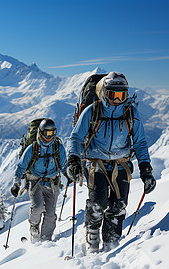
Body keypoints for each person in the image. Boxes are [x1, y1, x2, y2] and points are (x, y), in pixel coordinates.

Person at [66, 72, 156, 253]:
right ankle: (92, 236)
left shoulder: (131, 113)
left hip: (121, 164)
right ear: (104, 93)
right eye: (113, 95)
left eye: (121, 95)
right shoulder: (92, 111)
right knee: (97, 202)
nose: (117, 99)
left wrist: (146, 168)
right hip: (97, 165)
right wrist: (74, 159)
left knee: (119, 206)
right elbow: (76, 137)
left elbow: (139, 142)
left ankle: (112, 244)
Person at [10, 118, 68, 242]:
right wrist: (16, 183)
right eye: (47, 133)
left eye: (52, 133)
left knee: (50, 215)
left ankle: (46, 240)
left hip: (52, 183)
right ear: (40, 133)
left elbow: (63, 165)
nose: (50, 136)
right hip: (35, 182)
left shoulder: (58, 148)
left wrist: (70, 174)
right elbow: (20, 167)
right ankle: (34, 229)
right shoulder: (32, 148)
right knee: (37, 207)